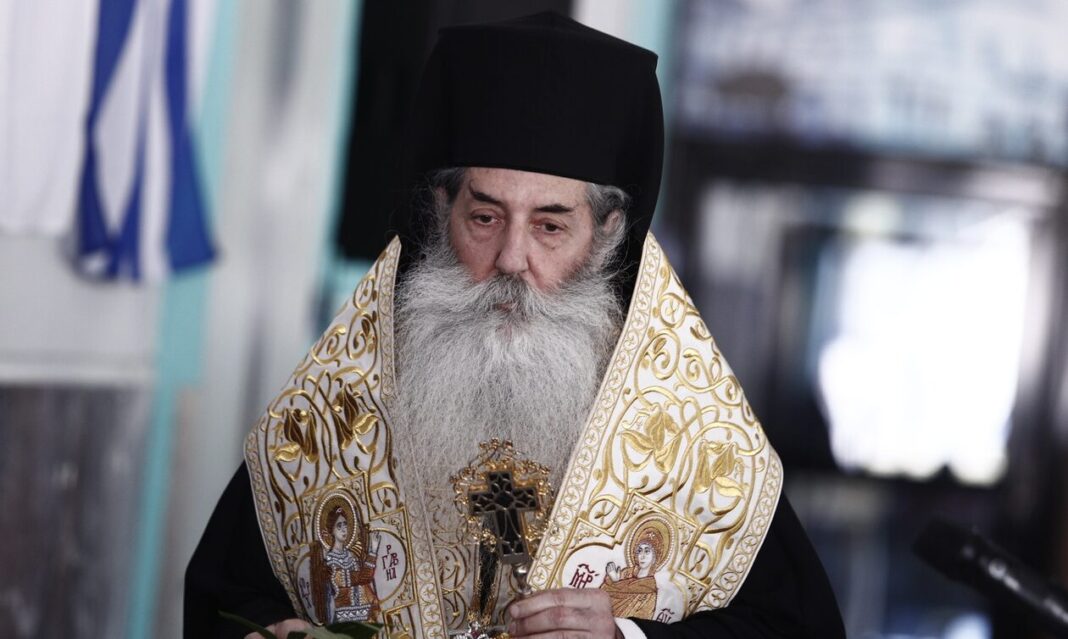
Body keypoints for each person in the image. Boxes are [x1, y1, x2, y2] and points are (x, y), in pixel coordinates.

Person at [185, 12, 845, 639]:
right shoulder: (336, 410)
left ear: (606, 234)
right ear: (442, 209)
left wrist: (624, 634)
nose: (510, 259)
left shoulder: (693, 442)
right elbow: (228, 598)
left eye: (550, 226)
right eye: (484, 217)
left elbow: (796, 628)